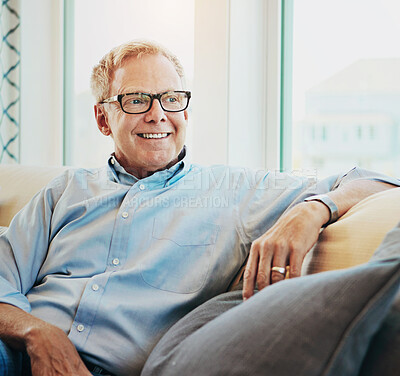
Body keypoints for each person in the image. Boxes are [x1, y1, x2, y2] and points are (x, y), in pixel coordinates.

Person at [0, 40, 398, 376]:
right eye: (137, 100)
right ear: (103, 119)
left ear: (185, 111)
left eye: (171, 99)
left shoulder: (236, 192)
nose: (158, 114)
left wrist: (310, 212)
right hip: (14, 350)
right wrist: (39, 335)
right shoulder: (64, 191)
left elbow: (373, 180)